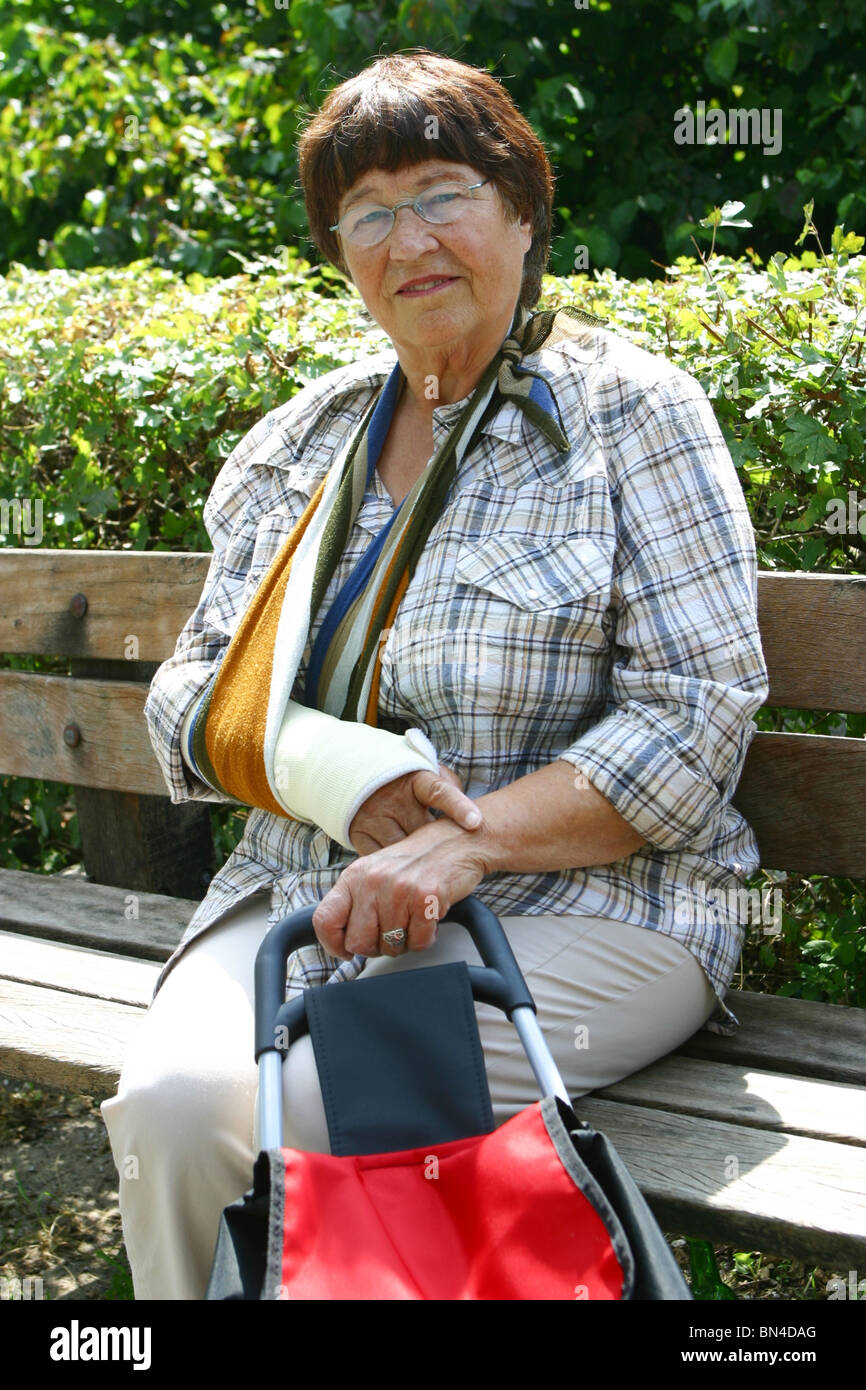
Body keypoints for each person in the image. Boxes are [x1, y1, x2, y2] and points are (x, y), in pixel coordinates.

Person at [101, 47, 769, 1300]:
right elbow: (188, 700)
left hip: (590, 912)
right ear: (339, 251)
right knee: (178, 1110)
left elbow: (694, 718)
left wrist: (461, 845)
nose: (407, 236)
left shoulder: (634, 416)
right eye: (366, 211)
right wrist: (335, 779)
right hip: (302, 899)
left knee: (301, 1110)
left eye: (443, 191)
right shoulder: (296, 445)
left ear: (521, 209)